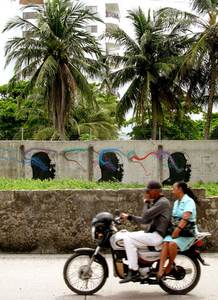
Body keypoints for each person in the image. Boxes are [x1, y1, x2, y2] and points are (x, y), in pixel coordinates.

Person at [120, 181, 171, 283]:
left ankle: (133, 270)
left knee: (127, 238)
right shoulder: (157, 202)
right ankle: (137, 265)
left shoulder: (162, 203)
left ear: (156, 191)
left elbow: (144, 217)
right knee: (126, 235)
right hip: (153, 234)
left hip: (157, 236)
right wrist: (129, 217)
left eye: (149, 190)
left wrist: (146, 202)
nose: (147, 192)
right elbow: (146, 220)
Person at [157, 182, 198, 279]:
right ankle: (160, 269)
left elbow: (185, 218)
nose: (172, 191)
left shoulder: (189, 201)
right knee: (165, 243)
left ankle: (170, 265)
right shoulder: (176, 202)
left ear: (180, 189)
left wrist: (177, 231)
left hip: (185, 232)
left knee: (172, 244)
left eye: (173, 188)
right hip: (175, 230)